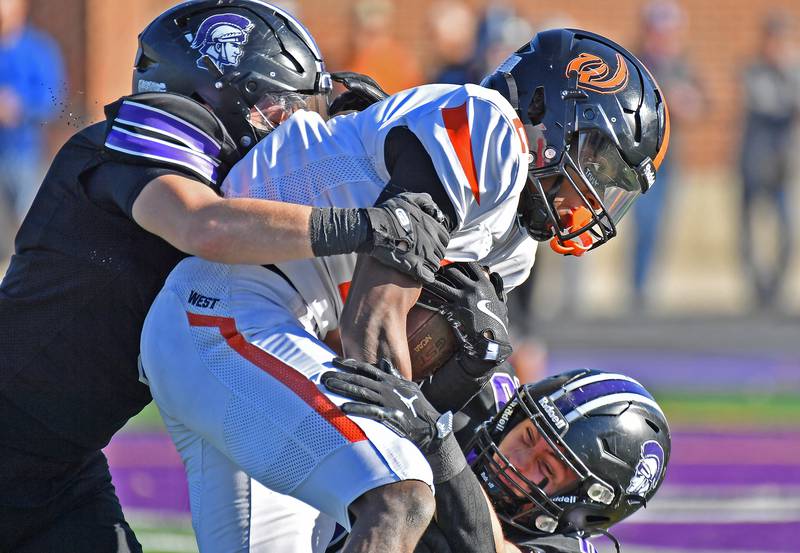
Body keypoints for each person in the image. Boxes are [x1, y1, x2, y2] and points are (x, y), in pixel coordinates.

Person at [140, 27, 669, 552]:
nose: (593, 193)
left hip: (263, 346)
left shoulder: (514, 250)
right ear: (545, 110)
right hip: (234, 309)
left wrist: (461, 374)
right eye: (597, 160)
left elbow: (395, 371)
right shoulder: (488, 130)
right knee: (401, 495)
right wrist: (422, 428)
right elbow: (369, 323)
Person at [0, 1, 449, 551]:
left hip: (59, 469)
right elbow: (205, 225)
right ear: (210, 94)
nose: (290, 129)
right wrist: (368, 226)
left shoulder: (237, 195)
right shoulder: (133, 143)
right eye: (277, 109)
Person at [323, 360, 671, 553]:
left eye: (545, 467)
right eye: (529, 435)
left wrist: (437, 443)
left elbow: (485, 549)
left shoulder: (568, 549)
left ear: (587, 508)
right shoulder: (480, 402)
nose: (515, 459)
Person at [738, 13, 800, 312]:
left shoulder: (794, 71)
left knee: (787, 231)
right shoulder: (752, 70)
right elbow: (767, 105)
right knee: (751, 229)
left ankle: (776, 286)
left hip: (784, 166)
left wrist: (787, 72)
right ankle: (757, 287)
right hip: (754, 164)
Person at [0, 0, 65, 256]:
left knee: (25, 223)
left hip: (25, 154)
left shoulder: (39, 50)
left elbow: (53, 101)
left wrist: (19, 107)